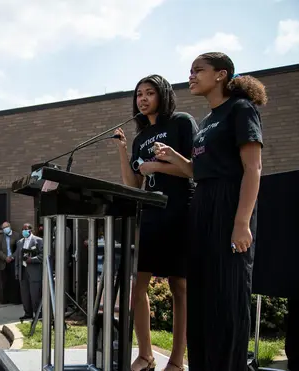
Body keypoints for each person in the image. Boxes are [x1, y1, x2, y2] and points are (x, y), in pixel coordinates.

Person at [153, 52, 266, 371]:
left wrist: (242, 223)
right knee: (201, 297)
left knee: (226, 298)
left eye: (198, 70)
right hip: (202, 206)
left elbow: (253, 168)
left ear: (221, 74)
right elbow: (199, 171)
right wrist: (175, 157)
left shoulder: (241, 110)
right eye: (190, 71)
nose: (191, 76)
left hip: (229, 206)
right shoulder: (206, 123)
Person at [112, 74, 197, 371]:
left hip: (180, 211)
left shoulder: (182, 123)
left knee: (179, 286)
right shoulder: (140, 138)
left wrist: (156, 166)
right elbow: (133, 184)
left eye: (149, 92)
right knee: (138, 286)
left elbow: (194, 170)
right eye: (138, 94)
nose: (143, 98)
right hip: (150, 215)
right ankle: (146, 355)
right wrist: (123, 149)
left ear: (163, 95)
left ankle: (176, 360)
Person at [15, 223, 43, 321]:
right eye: (22, 229)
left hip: (34, 272)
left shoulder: (39, 241)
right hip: (23, 271)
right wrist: (17, 272)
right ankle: (28, 313)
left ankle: (38, 313)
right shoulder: (19, 242)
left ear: (30, 230)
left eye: (26, 229)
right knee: (25, 294)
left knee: (35, 294)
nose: (24, 231)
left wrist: (32, 259)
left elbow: (43, 256)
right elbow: (18, 259)